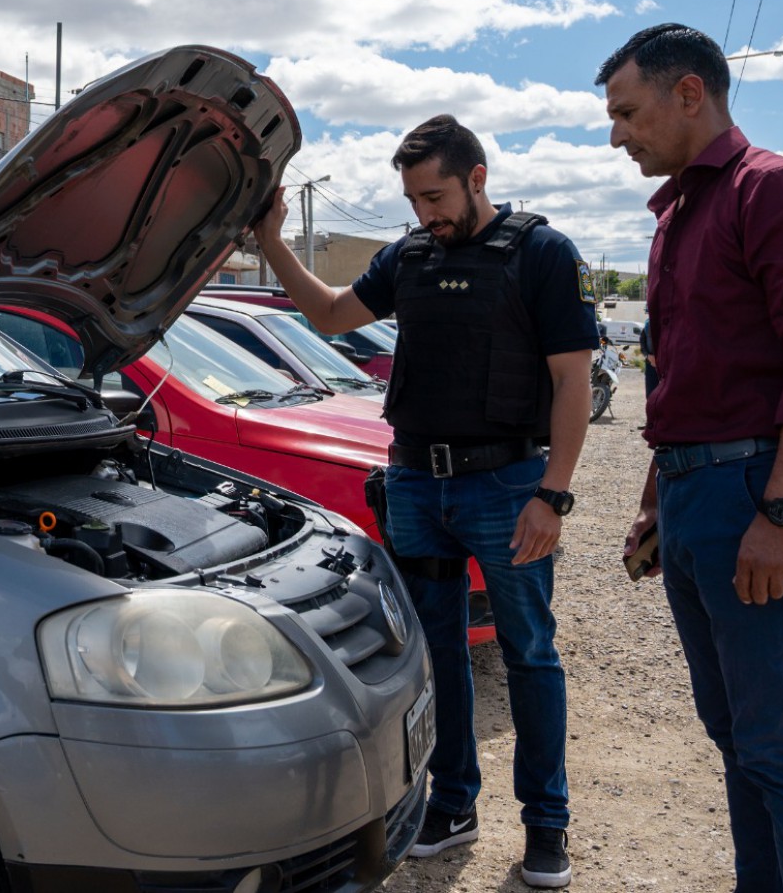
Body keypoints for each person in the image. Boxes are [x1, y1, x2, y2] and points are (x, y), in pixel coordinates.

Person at [252, 114, 596, 889]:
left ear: (478, 177)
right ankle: (452, 804)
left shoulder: (540, 252)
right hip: (415, 484)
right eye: (413, 200)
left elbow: (573, 383)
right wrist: (274, 242)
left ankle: (547, 824)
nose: (425, 215)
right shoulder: (409, 255)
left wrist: (554, 495)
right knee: (438, 658)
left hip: (508, 487)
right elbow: (335, 314)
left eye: (435, 196)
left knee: (530, 655)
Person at [599, 23, 783, 892]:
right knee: (741, 741)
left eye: (627, 112)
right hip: (692, 496)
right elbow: (681, 375)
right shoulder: (680, 211)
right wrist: (653, 498)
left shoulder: (776, 192)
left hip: (756, 491)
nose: (617, 134)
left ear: (689, 93)